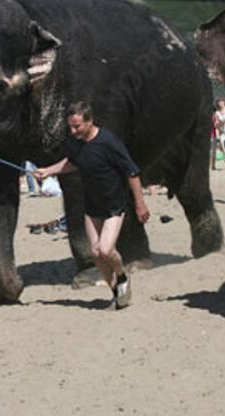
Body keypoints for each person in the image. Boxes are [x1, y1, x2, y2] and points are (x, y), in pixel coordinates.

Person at [34, 102, 150, 309]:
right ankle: (116, 292)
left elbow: (132, 172)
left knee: (105, 250)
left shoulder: (108, 142)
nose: (73, 130)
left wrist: (140, 204)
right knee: (95, 254)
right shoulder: (75, 141)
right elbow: (73, 162)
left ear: (89, 121)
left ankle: (122, 277)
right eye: (70, 126)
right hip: (92, 206)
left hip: (114, 204)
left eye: (77, 126)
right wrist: (49, 171)